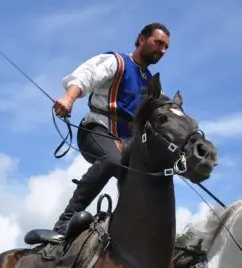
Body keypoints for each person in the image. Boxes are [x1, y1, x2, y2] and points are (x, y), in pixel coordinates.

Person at [49, 22, 171, 238]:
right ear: (142, 39)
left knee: (148, 182)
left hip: (127, 144)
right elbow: (85, 76)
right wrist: (68, 98)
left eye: (166, 47)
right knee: (113, 158)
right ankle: (65, 222)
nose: (162, 50)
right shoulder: (117, 62)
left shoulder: (152, 83)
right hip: (96, 130)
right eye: (158, 43)